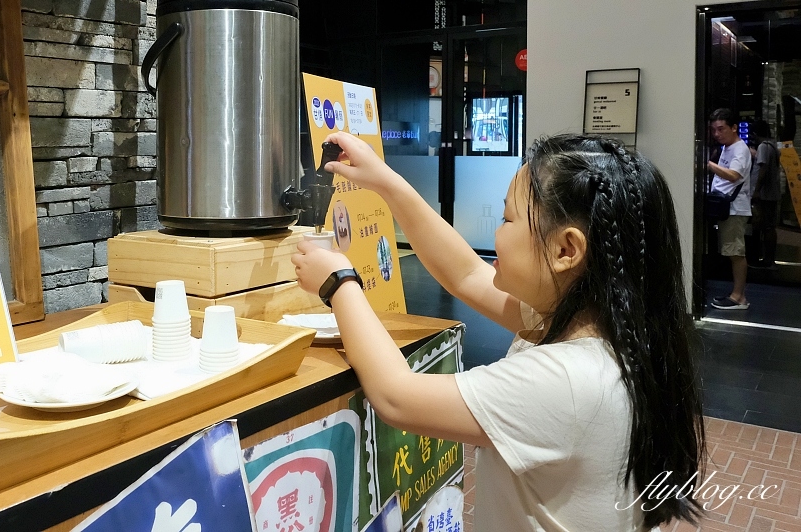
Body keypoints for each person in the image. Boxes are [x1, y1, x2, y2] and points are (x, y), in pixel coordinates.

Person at [292, 131, 705, 532]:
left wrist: (339, 283)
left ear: (566, 250)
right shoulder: (596, 332)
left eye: (508, 218)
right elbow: (466, 273)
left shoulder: (568, 380)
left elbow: (397, 397)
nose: (496, 232)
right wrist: (384, 181)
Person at [707, 108, 752, 309]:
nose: (717, 134)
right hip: (728, 208)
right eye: (714, 130)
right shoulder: (728, 147)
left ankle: (738, 297)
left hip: (734, 209)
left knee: (736, 253)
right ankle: (737, 295)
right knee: (733, 251)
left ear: (734, 128)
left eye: (721, 129)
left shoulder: (739, 149)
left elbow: (733, 175)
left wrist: (708, 165)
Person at [749, 120, 779, 268]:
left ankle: (767, 260)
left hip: (764, 194)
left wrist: (756, 190)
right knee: (768, 225)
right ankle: (768, 259)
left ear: (755, 134)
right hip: (771, 193)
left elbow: (763, 170)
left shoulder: (763, 147)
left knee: (765, 226)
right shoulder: (772, 145)